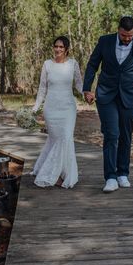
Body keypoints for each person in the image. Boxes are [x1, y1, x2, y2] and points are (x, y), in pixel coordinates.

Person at [83, 16, 133, 192]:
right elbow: (93, 65)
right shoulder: (104, 41)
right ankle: (110, 177)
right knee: (111, 134)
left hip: (130, 96)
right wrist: (87, 89)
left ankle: (123, 173)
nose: (127, 39)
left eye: (130, 36)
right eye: (124, 36)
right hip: (106, 95)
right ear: (118, 30)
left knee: (125, 135)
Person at [31, 36, 83, 188]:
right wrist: (35, 107)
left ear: (67, 49)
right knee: (55, 140)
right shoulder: (47, 64)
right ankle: (55, 173)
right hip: (51, 108)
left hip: (68, 108)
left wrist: (88, 94)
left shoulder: (73, 64)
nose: (58, 49)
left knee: (65, 138)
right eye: (56, 46)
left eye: (61, 47)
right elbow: (42, 88)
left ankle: (63, 174)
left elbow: (79, 84)